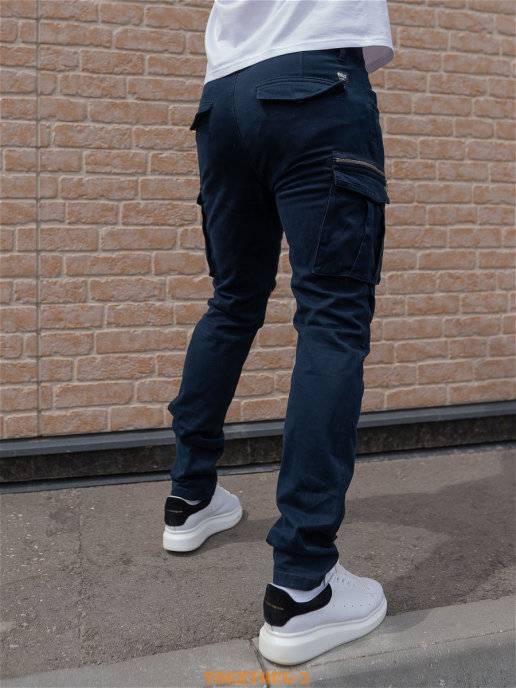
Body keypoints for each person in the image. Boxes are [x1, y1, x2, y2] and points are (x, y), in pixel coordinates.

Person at [163, 0, 394, 666]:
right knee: (332, 318)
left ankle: (190, 496)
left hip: (224, 96)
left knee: (233, 301)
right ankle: (304, 584)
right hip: (316, 82)